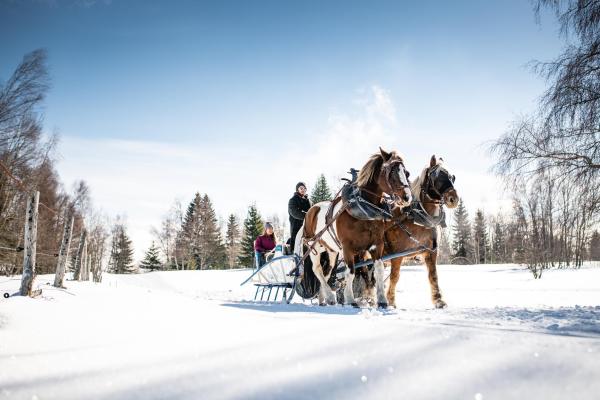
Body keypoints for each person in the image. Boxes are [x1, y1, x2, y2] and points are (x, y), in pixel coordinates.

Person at [288, 182, 311, 252]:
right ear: (297, 189)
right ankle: (294, 255)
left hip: (307, 226)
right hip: (296, 226)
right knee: (296, 244)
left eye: (304, 188)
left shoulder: (309, 201)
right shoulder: (293, 200)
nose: (303, 190)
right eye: (301, 188)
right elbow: (294, 212)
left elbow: (312, 211)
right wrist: (308, 216)